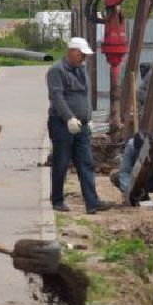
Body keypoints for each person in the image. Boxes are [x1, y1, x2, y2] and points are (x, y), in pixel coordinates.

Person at [47, 36, 104, 213]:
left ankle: (92, 203)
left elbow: (85, 96)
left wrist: (89, 117)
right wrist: (69, 118)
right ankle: (57, 200)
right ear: (72, 52)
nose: (84, 58)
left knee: (86, 163)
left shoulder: (82, 69)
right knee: (61, 162)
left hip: (82, 125)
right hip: (62, 125)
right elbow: (57, 97)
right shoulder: (57, 71)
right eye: (81, 54)